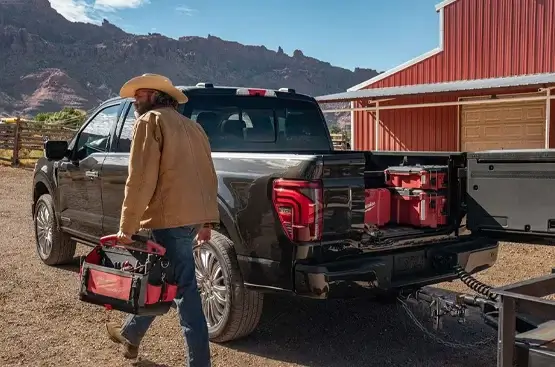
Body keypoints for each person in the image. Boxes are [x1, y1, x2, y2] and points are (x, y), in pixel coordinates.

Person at [105, 73, 219, 367]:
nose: (134, 100)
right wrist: (206, 221)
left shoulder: (149, 122)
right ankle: (131, 334)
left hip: (167, 219)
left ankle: (200, 363)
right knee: (160, 280)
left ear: (156, 96)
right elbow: (207, 175)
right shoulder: (194, 127)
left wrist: (127, 226)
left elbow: (141, 179)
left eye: (139, 95)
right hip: (188, 218)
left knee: (185, 291)